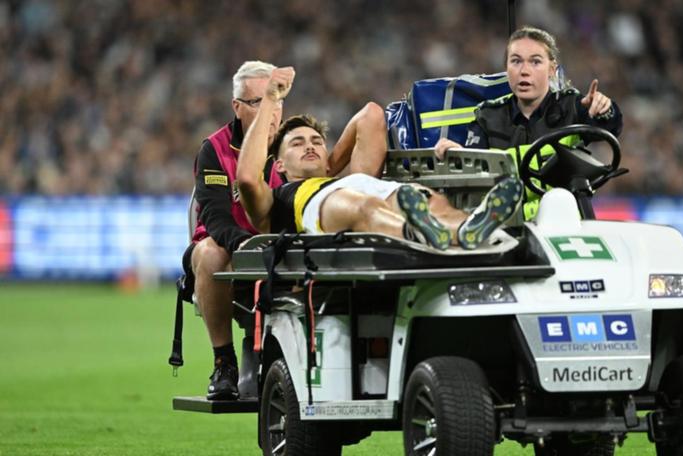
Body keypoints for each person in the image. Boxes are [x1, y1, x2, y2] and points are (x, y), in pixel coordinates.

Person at [184, 60, 388, 400]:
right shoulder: (215, 149)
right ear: (237, 107)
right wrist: (252, 247)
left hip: (288, 248)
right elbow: (216, 218)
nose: (272, 109)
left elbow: (343, 152)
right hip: (237, 251)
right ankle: (224, 363)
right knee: (209, 252)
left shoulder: (294, 147)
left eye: (277, 100)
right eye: (260, 101)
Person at [236, 79, 523, 252]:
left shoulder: (353, 176)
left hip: (351, 187)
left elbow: (370, 114)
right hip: (319, 204)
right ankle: (419, 234)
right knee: (364, 207)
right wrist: (270, 102)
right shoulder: (275, 201)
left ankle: (463, 230)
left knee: (428, 200)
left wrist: (329, 167)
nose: (310, 145)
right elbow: (248, 178)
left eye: (316, 142)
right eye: (297, 143)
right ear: (280, 165)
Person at [434, 26, 623, 220]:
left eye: (535, 62)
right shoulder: (487, 116)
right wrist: (456, 155)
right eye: (516, 61)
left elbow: (609, 127)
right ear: (506, 68)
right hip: (505, 226)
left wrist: (605, 109)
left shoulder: (571, 106)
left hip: (562, 223)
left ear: (552, 69)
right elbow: (474, 171)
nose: (524, 71)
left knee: (558, 198)